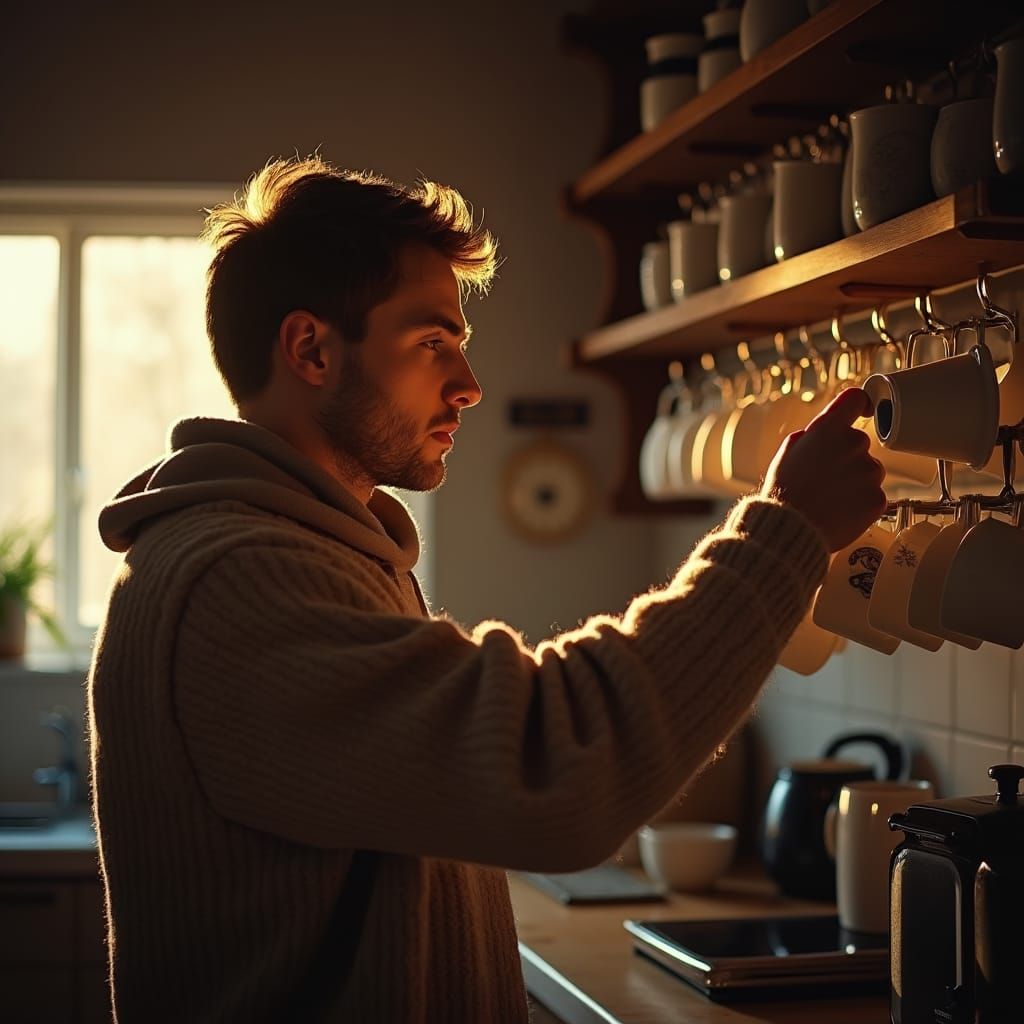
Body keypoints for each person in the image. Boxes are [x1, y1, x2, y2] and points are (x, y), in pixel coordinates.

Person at [86, 155, 886, 1024]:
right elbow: (549, 770)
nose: (467, 385)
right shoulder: (238, 582)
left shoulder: (312, 555)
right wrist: (785, 533)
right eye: (432, 342)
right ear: (311, 349)